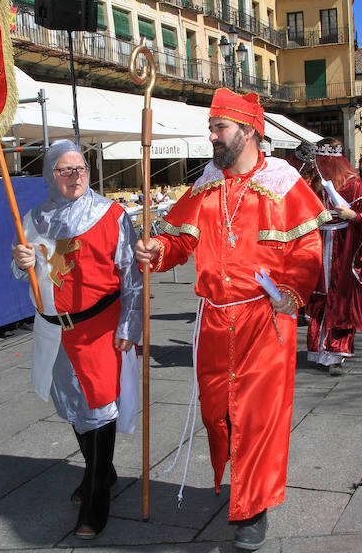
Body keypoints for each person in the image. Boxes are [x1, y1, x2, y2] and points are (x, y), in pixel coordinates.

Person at [134, 88, 326, 551]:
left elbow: (308, 248)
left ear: (249, 131)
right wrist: (155, 250)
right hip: (215, 322)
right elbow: (179, 241)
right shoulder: (205, 184)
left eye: (220, 129)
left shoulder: (283, 184)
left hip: (265, 319)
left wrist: (293, 291)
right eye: (211, 129)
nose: (212, 137)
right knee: (219, 414)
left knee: (257, 419)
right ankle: (240, 490)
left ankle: (253, 510)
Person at [11, 139, 142, 540]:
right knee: (72, 406)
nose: (75, 177)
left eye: (81, 169)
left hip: (99, 328)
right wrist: (21, 262)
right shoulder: (33, 218)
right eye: (65, 170)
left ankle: (96, 499)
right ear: (51, 174)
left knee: (101, 408)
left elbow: (131, 278)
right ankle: (102, 471)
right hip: (54, 329)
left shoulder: (112, 214)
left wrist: (129, 327)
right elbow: (22, 272)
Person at [291, 139, 362, 376]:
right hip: (317, 243)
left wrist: (352, 215)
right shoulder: (311, 182)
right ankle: (318, 350)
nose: (323, 165)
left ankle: (336, 353)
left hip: (343, 246)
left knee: (339, 299)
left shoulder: (352, 183)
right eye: (320, 160)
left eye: (327, 161)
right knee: (318, 298)